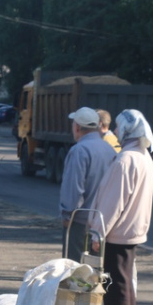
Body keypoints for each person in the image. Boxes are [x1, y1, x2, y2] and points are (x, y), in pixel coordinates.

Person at [93, 108, 153, 305]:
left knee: (114, 283)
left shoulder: (126, 159)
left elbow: (112, 202)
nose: (116, 131)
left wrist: (98, 231)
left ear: (129, 129)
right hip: (132, 229)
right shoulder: (143, 157)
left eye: (119, 127)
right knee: (125, 281)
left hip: (118, 231)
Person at [59, 106, 117, 263]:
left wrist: (67, 214)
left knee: (75, 269)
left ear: (77, 127)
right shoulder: (110, 150)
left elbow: (74, 188)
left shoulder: (79, 151)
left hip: (80, 221)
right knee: (96, 269)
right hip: (102, 222)